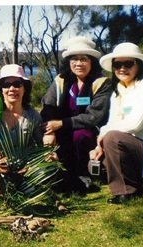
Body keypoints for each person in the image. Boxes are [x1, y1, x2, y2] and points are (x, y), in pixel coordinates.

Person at [89, 42, 143, 204]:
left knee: (112, 138)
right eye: (117, 64)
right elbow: (113, 121)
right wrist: (99, 145)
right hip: (137, 147)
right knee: (98, 161)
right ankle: (138, 184)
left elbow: (134, 124)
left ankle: (127, 192)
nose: (122, 68)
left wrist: (103, 135)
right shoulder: (119, 91)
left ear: (139, 65)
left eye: (128, 63)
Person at [40, 36, 112, 192]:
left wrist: (62, 123)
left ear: (92, 61)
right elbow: (48, 105)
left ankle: (83, 173)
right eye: (75, 59)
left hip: (89, 130)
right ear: (69, 61)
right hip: (62, 128)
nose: (79, 63)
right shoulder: (61, 80)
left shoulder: (101, 82)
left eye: (84, 59)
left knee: (80, 135)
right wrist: (50, 130)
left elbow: (94, 117)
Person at [0, 64, 43, 147]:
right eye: (6, 85)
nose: (11, 89)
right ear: (1, 90)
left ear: (25, 88)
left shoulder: (33, 116)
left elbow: (42, 145)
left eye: (17, 84)